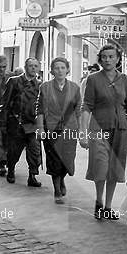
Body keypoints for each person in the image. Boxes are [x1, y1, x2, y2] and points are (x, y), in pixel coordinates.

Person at [80, 45, 127, 219]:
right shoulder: (93, 79)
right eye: (104, 57)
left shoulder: (125, 79)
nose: (108, 60)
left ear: (118, 59)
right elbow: (86, 106)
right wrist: (83, 133)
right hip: (98, 128)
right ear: (100, 59)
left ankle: (108, 207)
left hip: (120, 128)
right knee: (101, 166)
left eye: (111, 57)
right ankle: (99, 202)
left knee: (114, 168)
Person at [35, 58, 81, 204]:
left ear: (67, 70)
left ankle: (61, 179)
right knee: (54, 159)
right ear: (52, 71)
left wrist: (81, 130)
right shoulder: (45, 87)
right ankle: (57, 189)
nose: (60, 71)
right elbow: (40, 109)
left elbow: (78, 110)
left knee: (67, 159)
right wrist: (41, 128)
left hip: (70, 129)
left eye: (62, 68)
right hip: (51, 129)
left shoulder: (75, 88)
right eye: (56, 68)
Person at [0, 57, 42, 187]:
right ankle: (11, 170)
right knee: (14, 151)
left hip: (33, 124)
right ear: (25, 67)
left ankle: (32, 176)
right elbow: (5, 102)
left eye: (36, 66)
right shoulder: (14, 81)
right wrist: (2, 122)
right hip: (16, 122)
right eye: (30, 66)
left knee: (35, 151)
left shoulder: (40, 85)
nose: (33, 68)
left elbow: (43, 106)